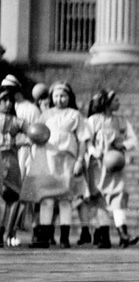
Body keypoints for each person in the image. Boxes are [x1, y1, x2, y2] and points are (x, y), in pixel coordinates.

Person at [20, 82, 88, 249]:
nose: (59, 99)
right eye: (56, 96)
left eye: (63, 95)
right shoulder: (46, 115)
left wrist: (80, 160)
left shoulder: (75, 115)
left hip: (66, 161)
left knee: (65, 200)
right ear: (51, 98)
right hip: (48, 160)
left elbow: (82, 140)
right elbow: (35, 133)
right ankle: (43, 237)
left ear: (69, 97)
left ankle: (64, 238)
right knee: (47, 199)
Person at [85, 90, 139, 248]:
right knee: (100, 198)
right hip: (98, 165)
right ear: (106, 103)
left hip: (116, 166)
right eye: (115, 100)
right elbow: (86, 141)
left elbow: (133, 140)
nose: (118, 103)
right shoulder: (93, 120)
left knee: (118, 196)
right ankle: (104, 236)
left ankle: (123, 234)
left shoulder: (122, 121)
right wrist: (94, 151)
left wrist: (123, 145)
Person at [0, 88, 25, 247]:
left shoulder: (16, 121)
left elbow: (33, 131)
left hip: (10, 160)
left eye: (11, 100)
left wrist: (25, 140)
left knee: (14, 196)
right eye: (4, 100)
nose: (8, 103)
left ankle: (7, 233)